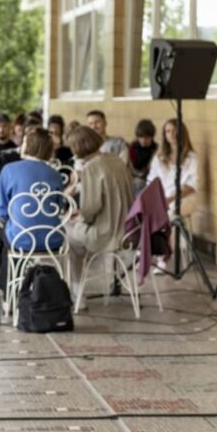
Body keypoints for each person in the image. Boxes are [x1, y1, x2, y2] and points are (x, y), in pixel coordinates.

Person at [63, 125, 134, 308]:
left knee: (65, 235)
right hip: (127, 229)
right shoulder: (115, 160)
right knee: (74, 229)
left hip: (107, 232)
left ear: (77, 148)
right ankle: (79, 291)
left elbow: (90, 210)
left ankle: (78, 294)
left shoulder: (91, 168)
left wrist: (79, 217)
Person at [0, 127, 64, 292]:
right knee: (9, 235)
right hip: (53, 238)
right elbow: (58, 207)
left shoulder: (9, 169)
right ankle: (23, 287)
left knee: (4, 237)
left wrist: (16, 220)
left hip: (21, 239)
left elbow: (2, 210)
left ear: (28, 145)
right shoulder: (55, 174)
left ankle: (9, 290)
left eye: (24, 141)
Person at [146, 118, 198, 217]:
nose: (171, 134)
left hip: (183, 197)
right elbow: (151, 180)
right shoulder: (159, 158)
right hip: (163, 196)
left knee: (170, 211)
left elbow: (193, 185)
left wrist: (171, 198)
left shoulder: (191, 157)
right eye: (168, 131)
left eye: (175, 130)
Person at [129, 119, 158, 190]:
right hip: (133, 179)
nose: (143, 140)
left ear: (152, 137)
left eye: (147, 137)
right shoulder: (132, 148)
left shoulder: (156, 150)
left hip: (149, 180)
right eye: (141, 137)